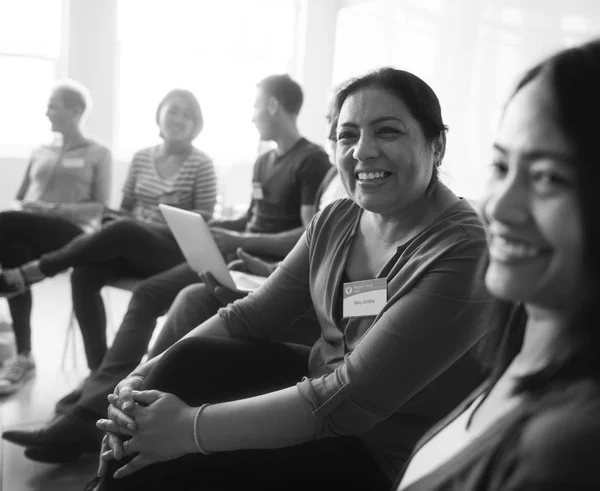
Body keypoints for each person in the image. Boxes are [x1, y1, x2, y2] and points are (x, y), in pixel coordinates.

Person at [88, 67, 493, 490]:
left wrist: (188, 428)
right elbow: (251, 316)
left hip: (380, 447)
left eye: (387, 132)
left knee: (183, 460)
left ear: (437, 145)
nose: (362, 151)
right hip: (317, 386)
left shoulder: (463, 250)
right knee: (184, 363)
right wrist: (140, 374)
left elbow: (349, 401)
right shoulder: (338, 218)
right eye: (347, 135)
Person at [1, 74, 331, 464]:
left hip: (258, 266)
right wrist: (224, 230)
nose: (252, 115)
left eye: (256, 105)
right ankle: (94, 402)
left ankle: (95, 409)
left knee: (151, 291)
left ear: (273, 105)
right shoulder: (263, 159)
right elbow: (253, 218)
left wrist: (241, 241)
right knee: (93, 271)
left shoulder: (311, 160)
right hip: (231, 253)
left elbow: (306, 231)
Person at [392, 39, 600, 490]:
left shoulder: (567, 450)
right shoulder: (523, 331)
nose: (498, 208)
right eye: (501, 166)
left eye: (548, 177)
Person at [0, 88, 217, 378]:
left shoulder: (201, 163)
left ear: (196, 125)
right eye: (173, 110)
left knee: (125, 228)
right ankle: (99, 372)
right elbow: (124, 209)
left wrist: (140, 225)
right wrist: (116, 222)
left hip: (172, 250)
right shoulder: (141, 158)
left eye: (187, 115)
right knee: (85, 272)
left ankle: (35, 271)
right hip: (133, 242)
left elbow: (203, 221)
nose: (178, 119)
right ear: (160, 115)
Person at [0, 81, 112, 395]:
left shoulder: (98, 153)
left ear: (75, 111)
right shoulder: (40, 151)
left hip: (71, 236)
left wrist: (51, 209)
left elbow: (99, 206)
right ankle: (24, 356)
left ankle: (20, 351)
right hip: (28, 232)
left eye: (53, 105)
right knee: (14, 252)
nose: (46, 112)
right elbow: (19, 200)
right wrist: (27, 209)